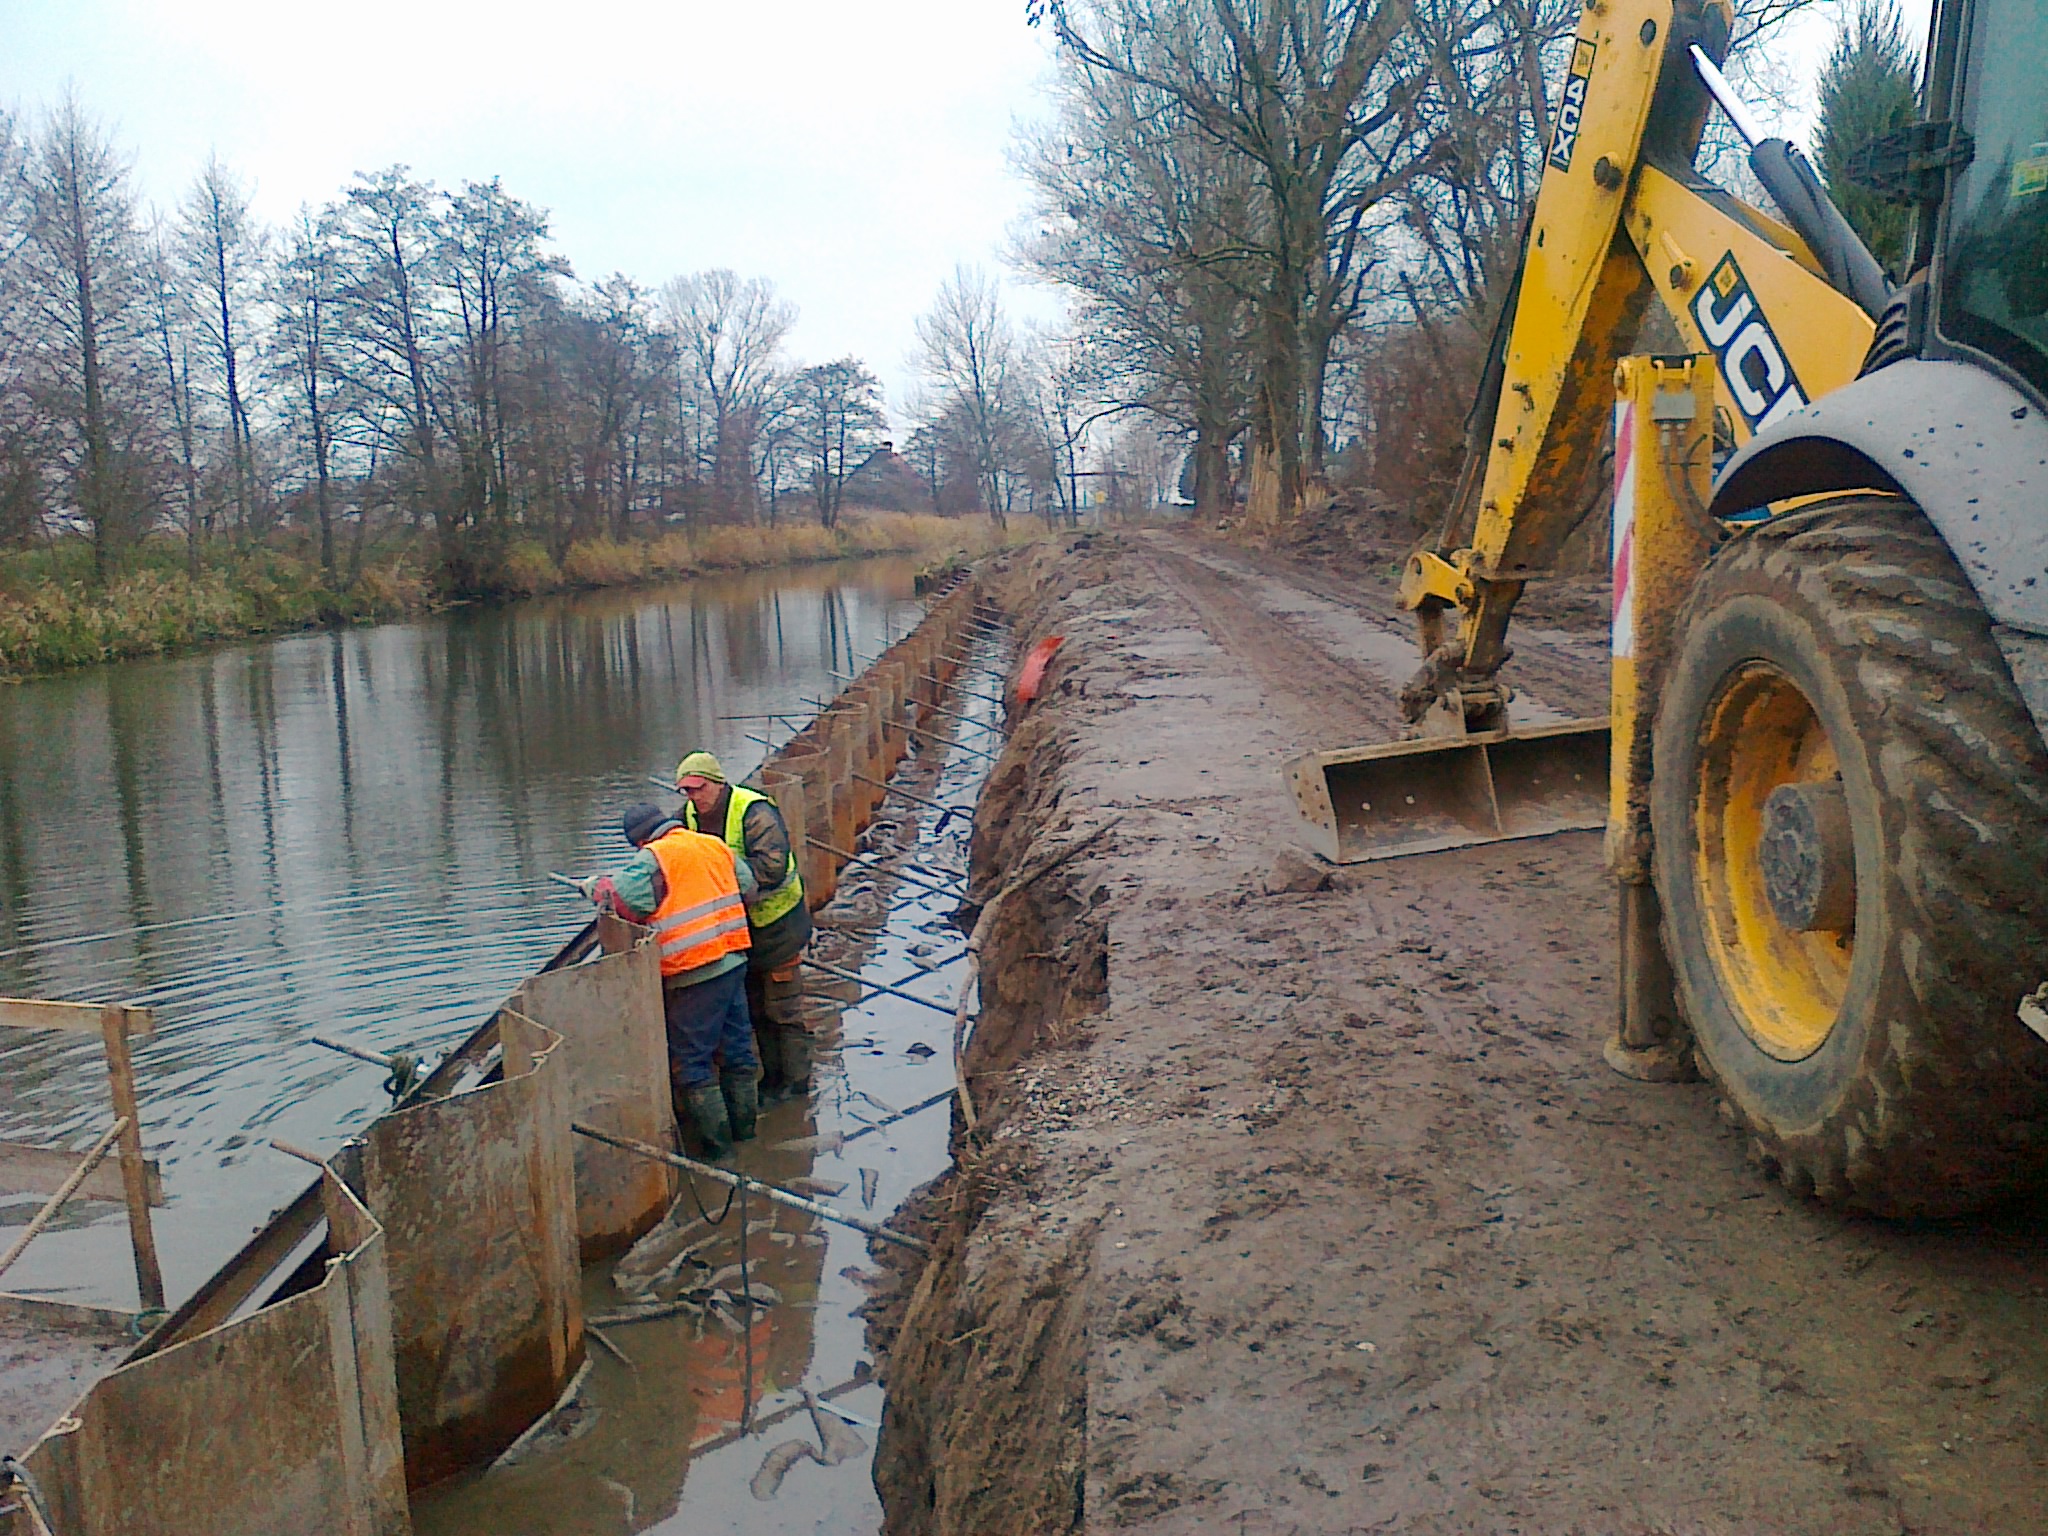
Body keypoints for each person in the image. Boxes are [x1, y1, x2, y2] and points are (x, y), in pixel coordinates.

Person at [582, 801, 761, 1158]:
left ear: (638, 840)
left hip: (694, 972)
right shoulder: (712, 843)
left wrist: (593, 887)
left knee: (693, 1063)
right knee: (738, 1050)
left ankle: (719, 1151)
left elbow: (622, 898)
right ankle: (748, 1136)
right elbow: (749, 887)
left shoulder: (653, 858)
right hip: (733, 959)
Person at [673, 750, 816, 1101]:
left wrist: (718, 871)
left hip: (778, 926)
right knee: (755, 1008)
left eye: (699, 788)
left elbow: (772, 868)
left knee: (783, 1008)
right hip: (739, 934)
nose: (694, 797)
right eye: (687, 791)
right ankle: (771, 1080)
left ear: (718, 784)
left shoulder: (754, 812)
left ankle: (797, 1082)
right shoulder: (688, 817)